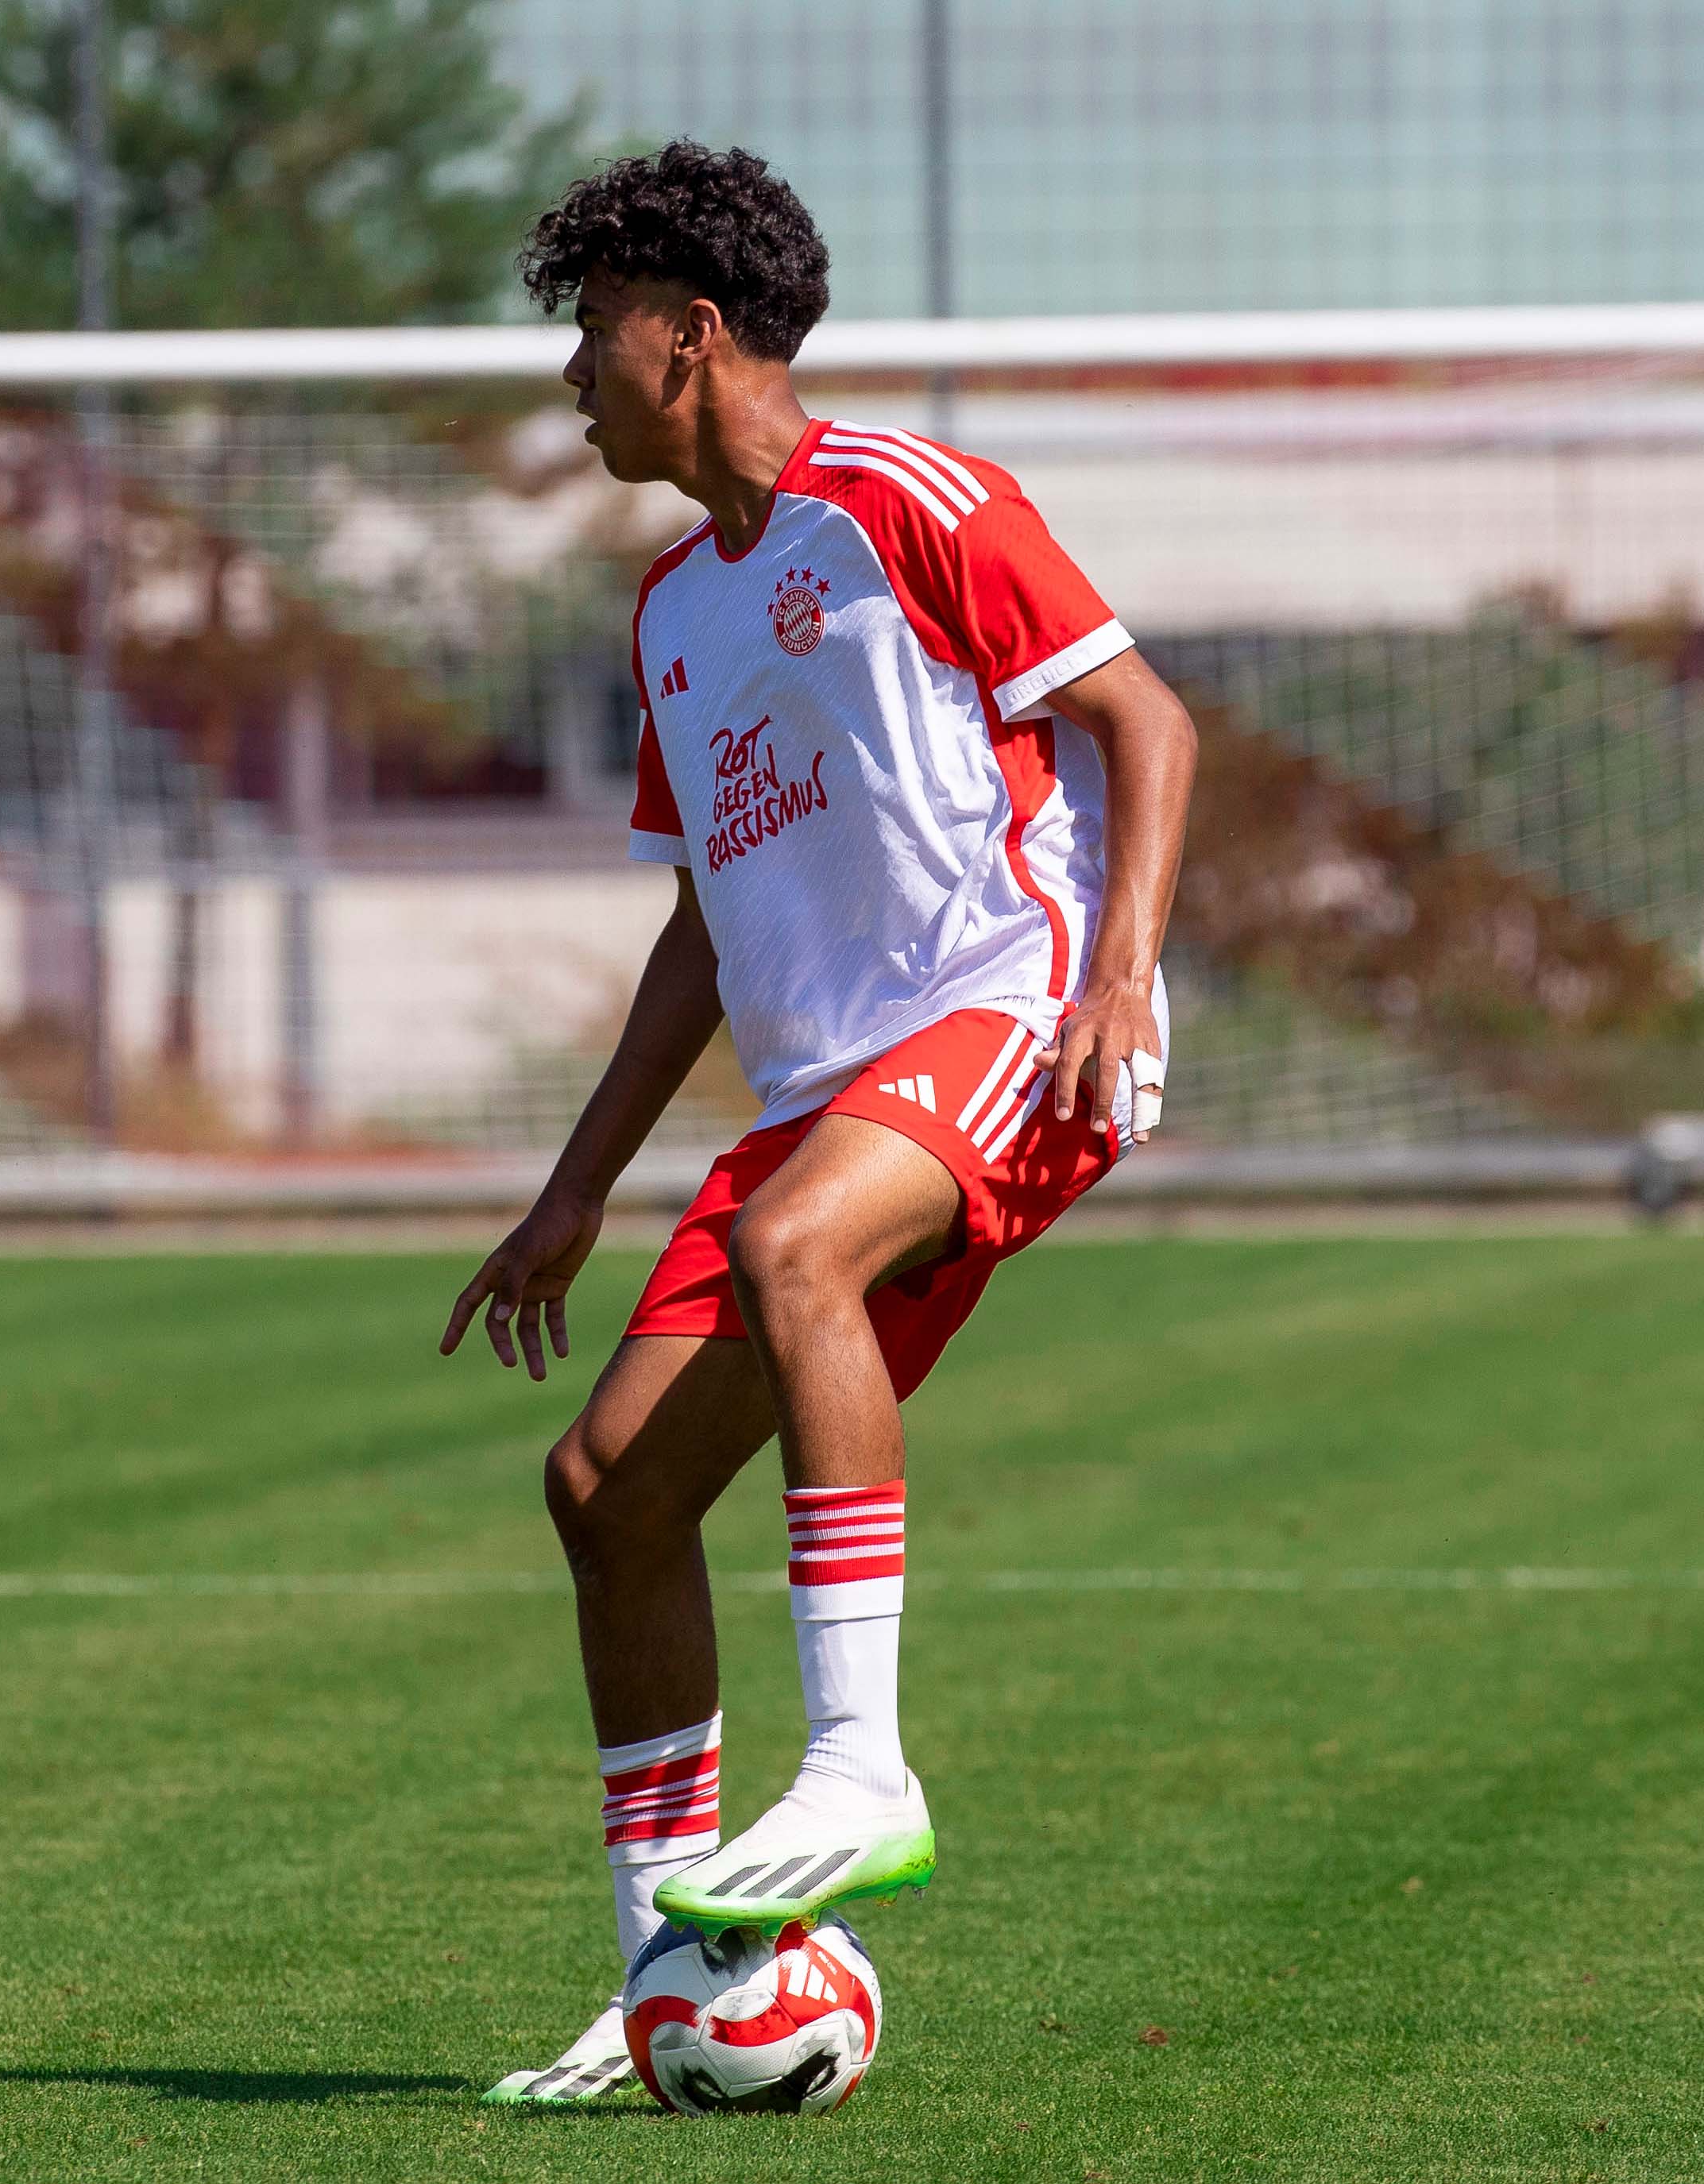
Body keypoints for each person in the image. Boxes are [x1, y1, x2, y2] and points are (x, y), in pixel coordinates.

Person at [450, 143, 1197, 2103]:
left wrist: (1119, 972)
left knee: (797, 1253)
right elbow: (701, 918)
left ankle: (861, 1757)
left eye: (592, 337)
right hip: (820, 1096)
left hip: (1013, 1022)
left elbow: (1147, 722)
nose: (573, 380)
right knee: (605, 1490)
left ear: (689, 337)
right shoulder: (670, 617)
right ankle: (658, 1980)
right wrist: (567, 1192)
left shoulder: (906, 502)